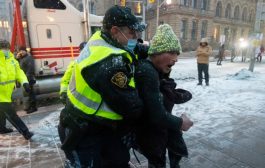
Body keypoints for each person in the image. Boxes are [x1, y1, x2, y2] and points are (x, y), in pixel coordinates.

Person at [58, 5, 146, 167]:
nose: (136, 36)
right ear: (114, 30)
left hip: (93, 123)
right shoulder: (110, 64)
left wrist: (145, 50)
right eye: (131, 32)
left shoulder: (101, 38)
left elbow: (132, 48)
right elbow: (130, 106)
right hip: (85, 132)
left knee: (117, 160)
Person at [134, 24, 193, 168]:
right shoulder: (147, 71)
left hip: (155, 132)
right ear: (158, 51)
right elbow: (157, 115)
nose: (176, 59)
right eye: (173, 53)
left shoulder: (154, 68)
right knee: (157, 163)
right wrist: (181, 123)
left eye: (177, 54)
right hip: (150, 134)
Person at [0, 39, 34, 140]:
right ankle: (25, 132)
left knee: (1, 112)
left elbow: (19, 72)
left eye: (6, 48)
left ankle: (2, 128)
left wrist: (25, 83)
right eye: (2, 48)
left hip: (6, 92)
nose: (5, 50)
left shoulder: (12, 60)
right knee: (11, 114)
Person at [16, 46, 37, 113]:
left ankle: (33, 107)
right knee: (29, 93)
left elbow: (30, 69)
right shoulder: (22, 58)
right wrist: (17, 58)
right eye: (20, 51)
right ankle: (31, 106)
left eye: (22, 50)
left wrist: (26, 79)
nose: (21, 52)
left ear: (25, 51)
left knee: (31, 93)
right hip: (25, 79)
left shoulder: (29, 58)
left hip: (29, 78)